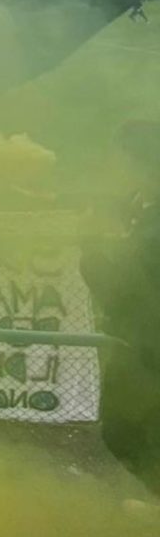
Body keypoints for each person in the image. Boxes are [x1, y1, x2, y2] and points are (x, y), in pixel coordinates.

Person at [81, 120, 160, 497]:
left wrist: (91, 252)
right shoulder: (144, 210)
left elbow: (125, 289)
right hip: (142, 344)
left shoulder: (152, 226)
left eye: (124, 159)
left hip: (146, 348)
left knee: (124, 431)